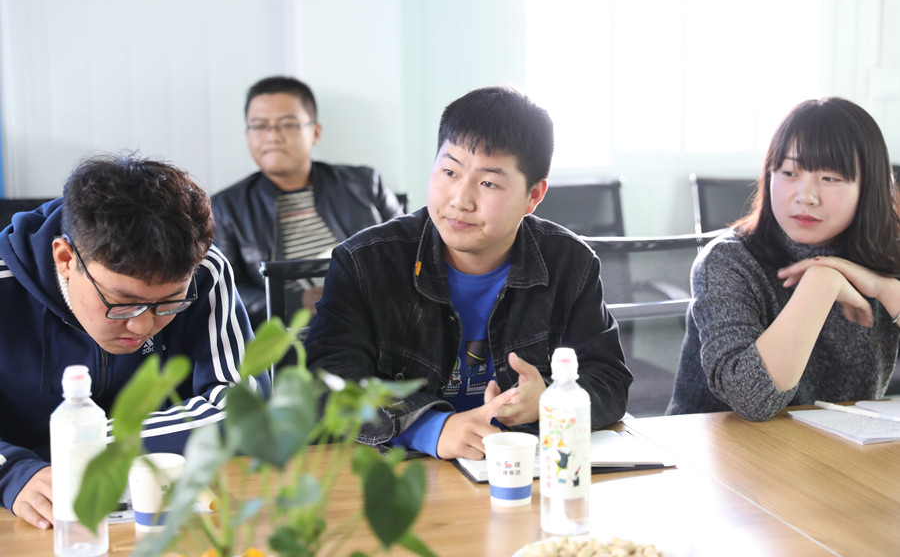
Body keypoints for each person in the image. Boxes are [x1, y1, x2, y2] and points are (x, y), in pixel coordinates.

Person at [305, 86, 631, 460]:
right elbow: (328, 383)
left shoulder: (570, 263)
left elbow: (610, 380)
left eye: (488, 183)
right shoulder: (366, 263)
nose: (460, 200)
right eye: (449, 171)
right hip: (406, 471)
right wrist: (430, 428)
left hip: (522, 467)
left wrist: (551, 402)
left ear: (533, 196)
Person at [0, 154, 268, 529]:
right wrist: (12, 469)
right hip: (36, 519)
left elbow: (244, 408)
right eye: (122, 302)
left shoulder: (204, 272)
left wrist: (82, 447)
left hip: (165, 510)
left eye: (170, 302)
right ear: (65, 258)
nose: (142, 326)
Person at [667, 97, 900, 419]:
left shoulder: (888, 255)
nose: (805, 196)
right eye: (789, 172)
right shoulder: (728, 262)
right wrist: (822, 282)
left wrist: (885, 289)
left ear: (869, 188)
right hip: (722, 445)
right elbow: (753, 401)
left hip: (839, 442)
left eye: (830, 178)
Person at [211, 76, 405, 329]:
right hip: (290, 336)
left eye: (287, 124)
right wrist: (297, 301)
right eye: (259, 126)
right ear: (248, 134)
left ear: (315, 132)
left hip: (376, 322)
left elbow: (409, 253)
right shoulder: (226, 208)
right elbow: (224, 289)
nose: (272, 136)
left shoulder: (365, 185)